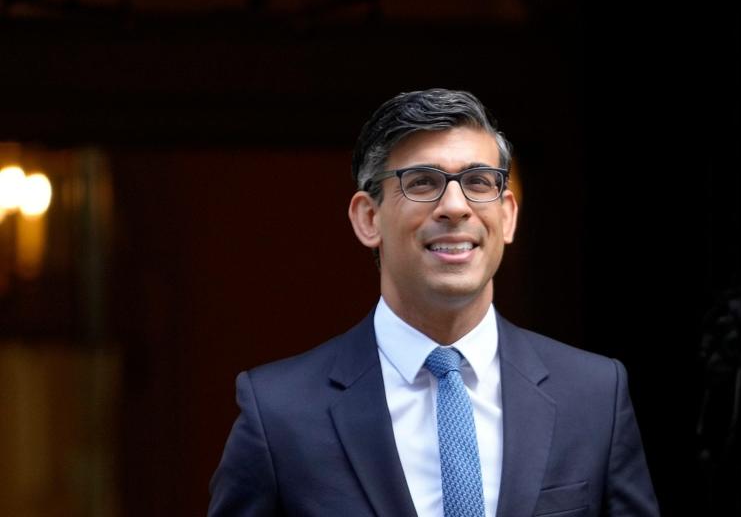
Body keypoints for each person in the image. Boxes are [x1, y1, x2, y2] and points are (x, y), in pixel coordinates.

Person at [208, 88, 660, 517]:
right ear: (369, 218)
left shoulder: (594, 395)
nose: (455, 206)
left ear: (506, 216)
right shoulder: (280, 412)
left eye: (478, 181)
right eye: (422, 182)